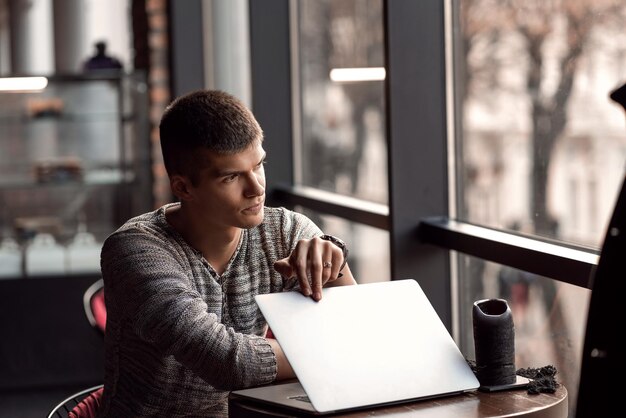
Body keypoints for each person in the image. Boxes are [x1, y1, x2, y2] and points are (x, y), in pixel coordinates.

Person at [97, 89, 357, 417]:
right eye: (231, 176)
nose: (256, 187)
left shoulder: (285, 232)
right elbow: (228, 364)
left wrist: (332, 260)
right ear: (183, 188)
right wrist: (331, 352)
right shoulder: (135, 251)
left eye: (258, 165)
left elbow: (353, 327)